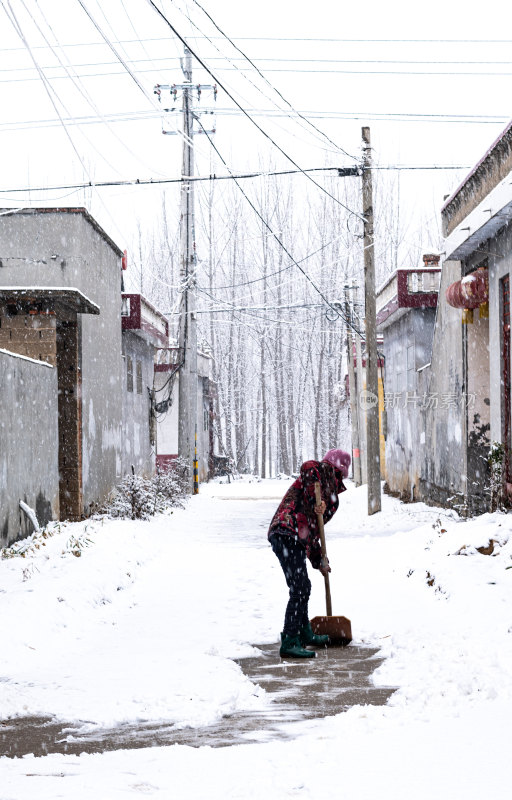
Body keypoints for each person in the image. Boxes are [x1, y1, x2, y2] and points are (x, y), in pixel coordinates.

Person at [268, 449, 351, 658]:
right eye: (336, 474)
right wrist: (316, 502)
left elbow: (315, 531)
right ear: (330, 468)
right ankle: (289, 640)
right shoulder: (314, 473)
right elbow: (307, 467)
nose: (337, 480)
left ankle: (304, 633)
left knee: (302, 586)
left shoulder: (332, 502)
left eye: (340, 477)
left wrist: (319, 560)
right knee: (300, 587)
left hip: (298, 537)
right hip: (285, 531)